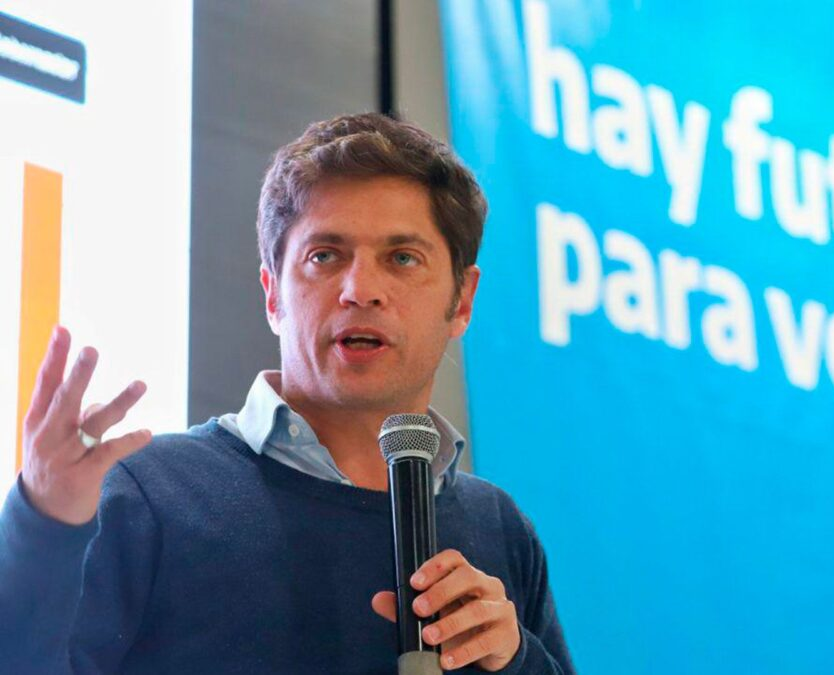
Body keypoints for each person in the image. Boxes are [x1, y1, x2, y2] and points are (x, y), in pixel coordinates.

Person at [0, 113, 574, 674]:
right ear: (273, 293)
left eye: (403, 258)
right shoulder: (147, 491)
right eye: (325, 256)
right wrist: (42, 521)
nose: (361, 290)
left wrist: (518, 662)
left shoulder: (498, 527)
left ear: (462, 301)